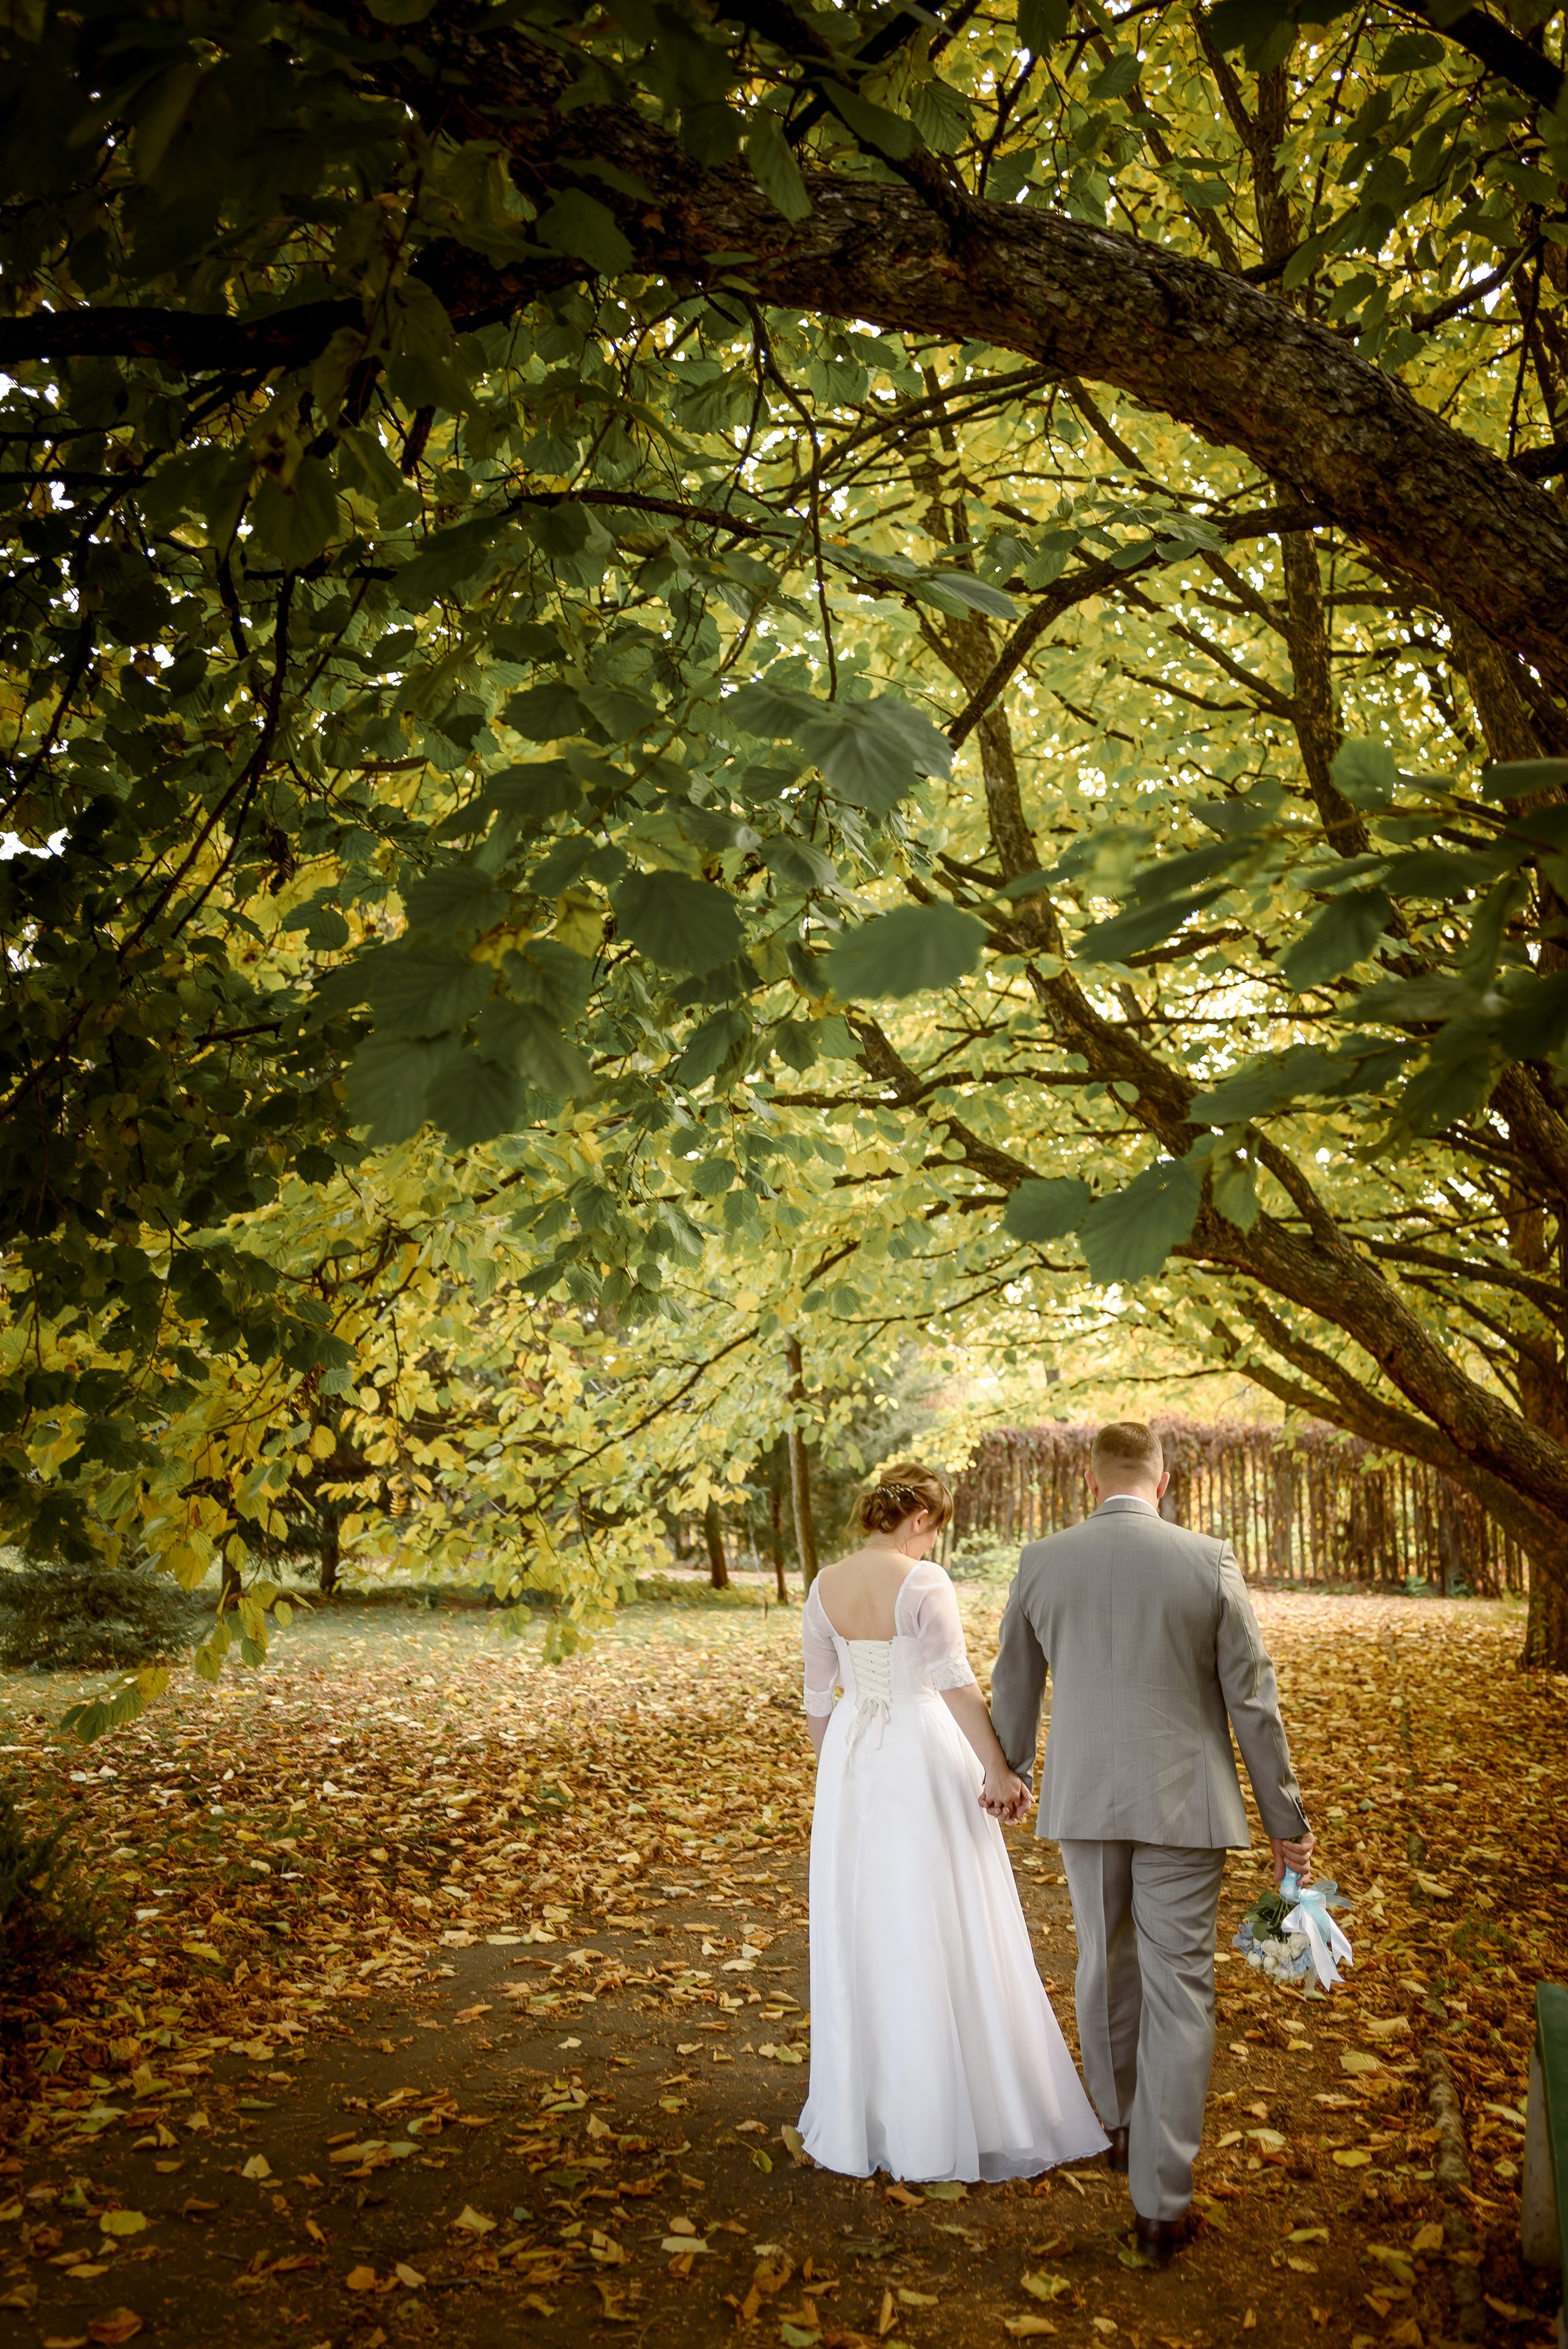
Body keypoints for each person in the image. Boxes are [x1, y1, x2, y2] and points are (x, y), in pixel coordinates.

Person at [989, 1420, 1314, 2263]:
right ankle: (1163, 2201)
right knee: (1181, 1985)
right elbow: (1254, 1697)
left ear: (1090, 1483)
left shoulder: (1041, 1560)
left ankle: (1118, 2118)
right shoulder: (1208, 1559)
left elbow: (1013, 1683)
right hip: (1185, 1803)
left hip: (1086, 1799)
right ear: (1162, 1481)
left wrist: (1013, 1767)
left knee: (1103, 1958)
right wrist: (1286, 1819)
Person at [796, 1460, 1108, 2185]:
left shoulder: (823, 1585)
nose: (933, 1544)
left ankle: (870, 2109)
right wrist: (997, 1769)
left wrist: (838, 1773)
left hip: (851, 1758)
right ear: (918, 1521)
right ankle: (955, 2104)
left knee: (866, 1919)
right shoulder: (922, 1581)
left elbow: (817, 1700)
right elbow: (956, 1684)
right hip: (920, 1749)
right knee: (939, 1913)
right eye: (935, 1530)